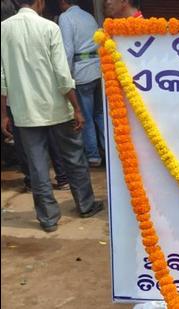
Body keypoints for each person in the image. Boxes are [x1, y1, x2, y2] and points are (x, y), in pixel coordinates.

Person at [1, 0, 103, 233]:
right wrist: (76, 107)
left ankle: (47, 218)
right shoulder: (50, 27)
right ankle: (85, 205)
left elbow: (2, 78)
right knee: (74, 158)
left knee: (37, 166)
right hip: (57, 108)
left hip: (25, 112)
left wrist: (3, 114)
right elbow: (62, 73)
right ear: (39, 2)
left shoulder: (3, 29)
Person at [58, 0, 104, 167]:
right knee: (100, 114)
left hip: (82, 73)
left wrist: (67, 75)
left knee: (86, 116)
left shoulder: (65, 18)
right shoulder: (89, 16)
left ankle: (93, 156)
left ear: (64, 2)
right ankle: (107, 152)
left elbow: (68, 49)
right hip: (98, 70)